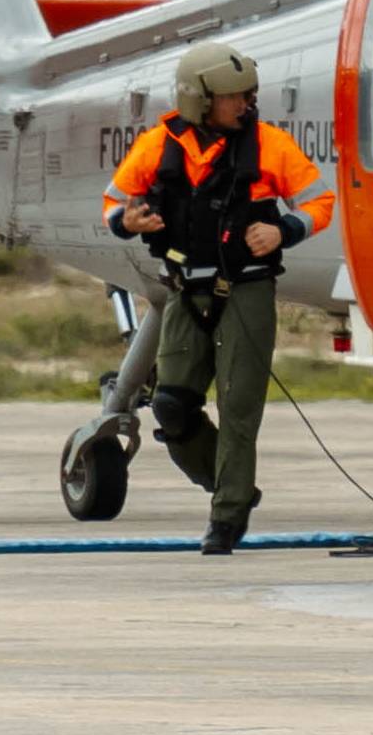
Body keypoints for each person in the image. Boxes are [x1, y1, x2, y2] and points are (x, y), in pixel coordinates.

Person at [104, 47, 332, 554]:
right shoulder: (156, 147)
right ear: (200, 99)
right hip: (185, 290)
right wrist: (128, 221)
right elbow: (113, 204)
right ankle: (233, 488)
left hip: (247, 290)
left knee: (239, 406)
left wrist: (284, 230)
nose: (247, 102)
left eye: (250, 93)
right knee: (171, 404)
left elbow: (321, 203)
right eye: (235, 95)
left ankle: (225, 520)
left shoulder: (270, 146)